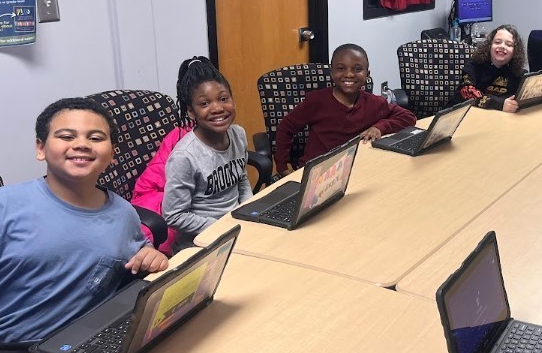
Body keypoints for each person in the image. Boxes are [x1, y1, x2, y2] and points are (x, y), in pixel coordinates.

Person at [0, 97, 169, 353]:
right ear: (41, 148)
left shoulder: (124, 214)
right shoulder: (2, 207)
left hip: (84, 344)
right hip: (11, 351)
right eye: (66, 136)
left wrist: (152, 256)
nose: (82, 144)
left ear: (112, 154)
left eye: (95, 137)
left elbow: (138, 256)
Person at [273, 43, 416, 174]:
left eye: (357, 69)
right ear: (332, 72)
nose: (349, 74)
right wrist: (282, 167)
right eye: (341, 68)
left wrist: (380, 127)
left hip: (357, 170)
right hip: (317, 172)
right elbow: (285, 128)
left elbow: (408, 117)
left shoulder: (374, 103)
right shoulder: (316, 101)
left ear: (367, 75)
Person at [163, 57, 252, 249]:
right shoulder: (184, 157)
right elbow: (173, 215)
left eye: (223, 98)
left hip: (237, 228)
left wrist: (248, 211)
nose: (217, 108)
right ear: (191, 112)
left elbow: (242, 178)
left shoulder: (238, 134)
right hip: (201, 242)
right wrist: (221, 228)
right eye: (204, 104)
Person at [130, 57, 200, 255]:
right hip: (160, 198)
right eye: (204, 102)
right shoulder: (181, 140)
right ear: (191, 111)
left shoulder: (232, 135)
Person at [456, 24, 542, 112]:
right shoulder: (473, 66)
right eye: (497, 42)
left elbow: (532, 92)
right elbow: (467, 93)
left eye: (509, 44)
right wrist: (499, 104)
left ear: (515, 52)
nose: (502, 46)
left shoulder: (517, 73)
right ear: (489, 46)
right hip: (468, 117)